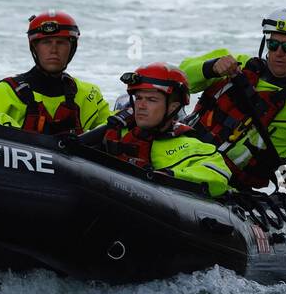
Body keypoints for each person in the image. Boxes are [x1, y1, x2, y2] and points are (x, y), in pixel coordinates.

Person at [179, 6, 286, 199]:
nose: (278, 53)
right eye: (273, 44)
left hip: (225, 184)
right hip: (180, 151)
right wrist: (210, 68)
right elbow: (180, 78)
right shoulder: (234, 64)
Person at [80, 63, 231, 197]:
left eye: (151, 100)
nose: (141, 106)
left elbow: (218, 177)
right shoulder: (113, 130)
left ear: (173, 107)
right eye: (139, 98)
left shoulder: (193, 147)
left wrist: (169, 176)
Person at [0, 12, 111, 136]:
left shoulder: (90, 95)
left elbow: (113, 130)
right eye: (46, 42)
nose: (54, 50)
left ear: (72, 48)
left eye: (61, 43)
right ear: (34, 47)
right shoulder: (0, 93)